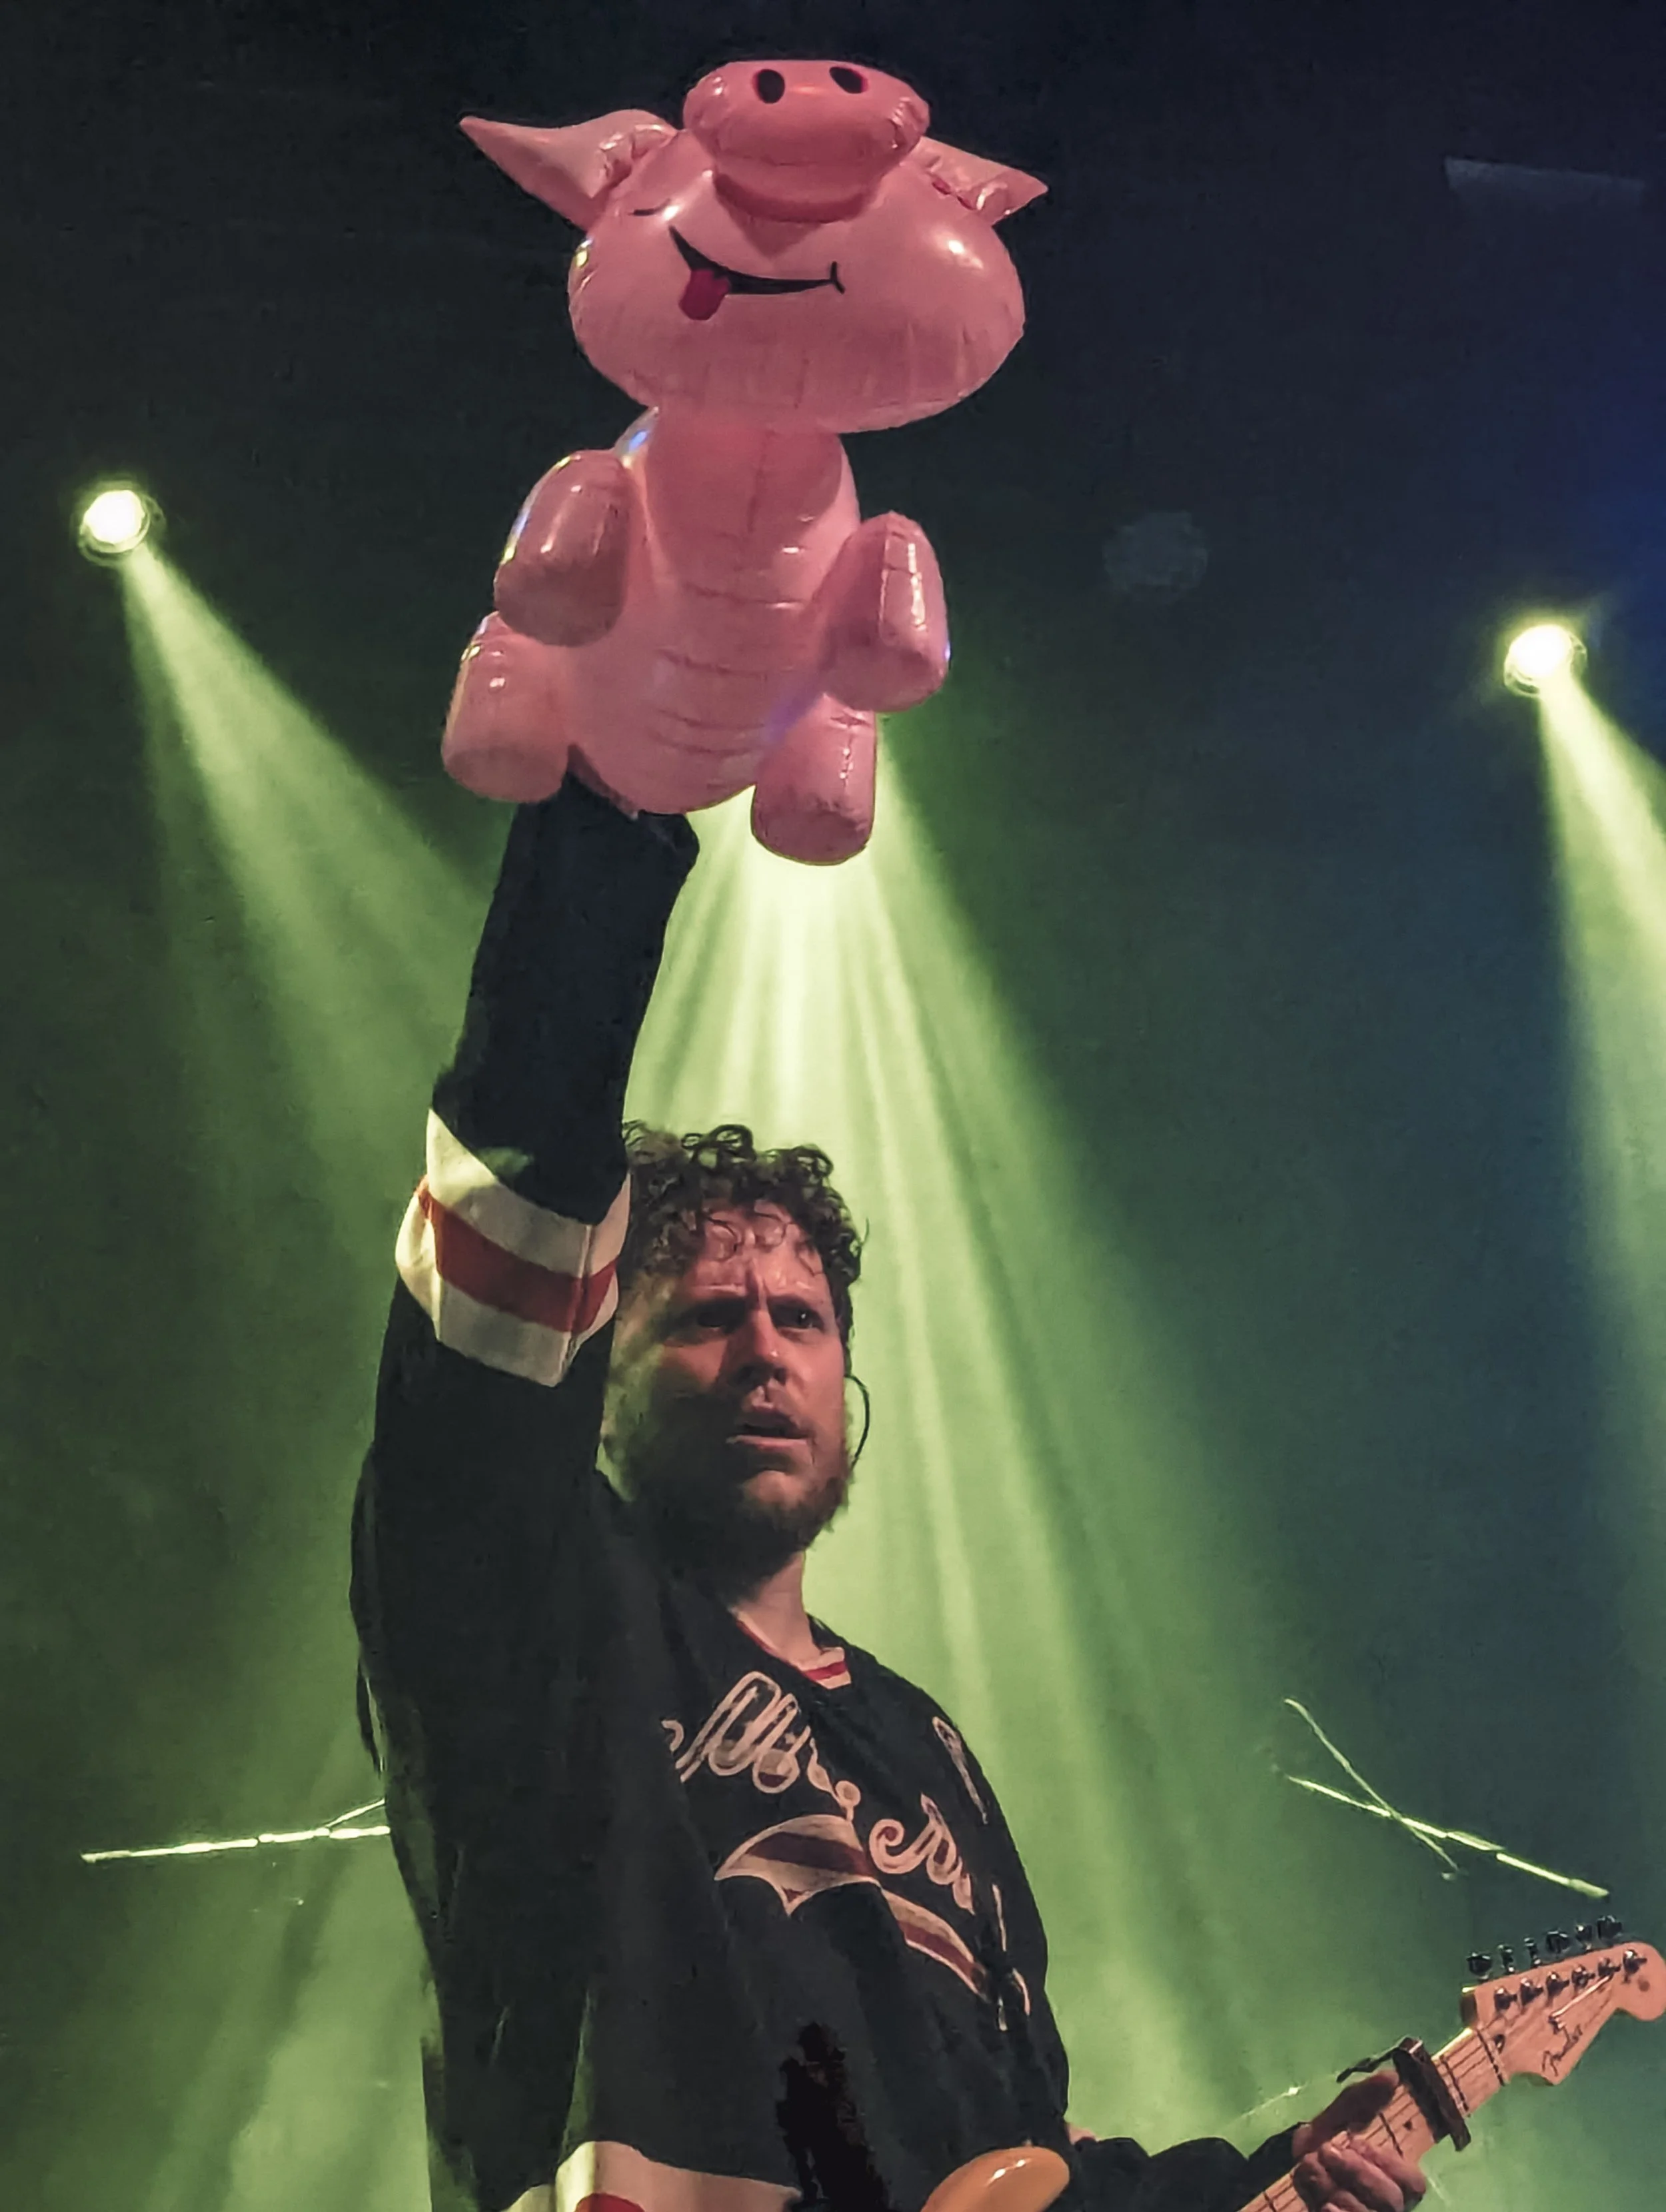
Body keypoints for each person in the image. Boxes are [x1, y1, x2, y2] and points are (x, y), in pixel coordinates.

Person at [352, 779, 1429, 2212]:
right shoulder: (546, 1606)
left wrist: (1261, 2184)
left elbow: (1019, 2157)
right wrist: (607, 829)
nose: (763, 1351)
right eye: (707, 1317)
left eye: (800, 1319)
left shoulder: (931, 1753)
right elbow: (496, 1289)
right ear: (598, 1382)